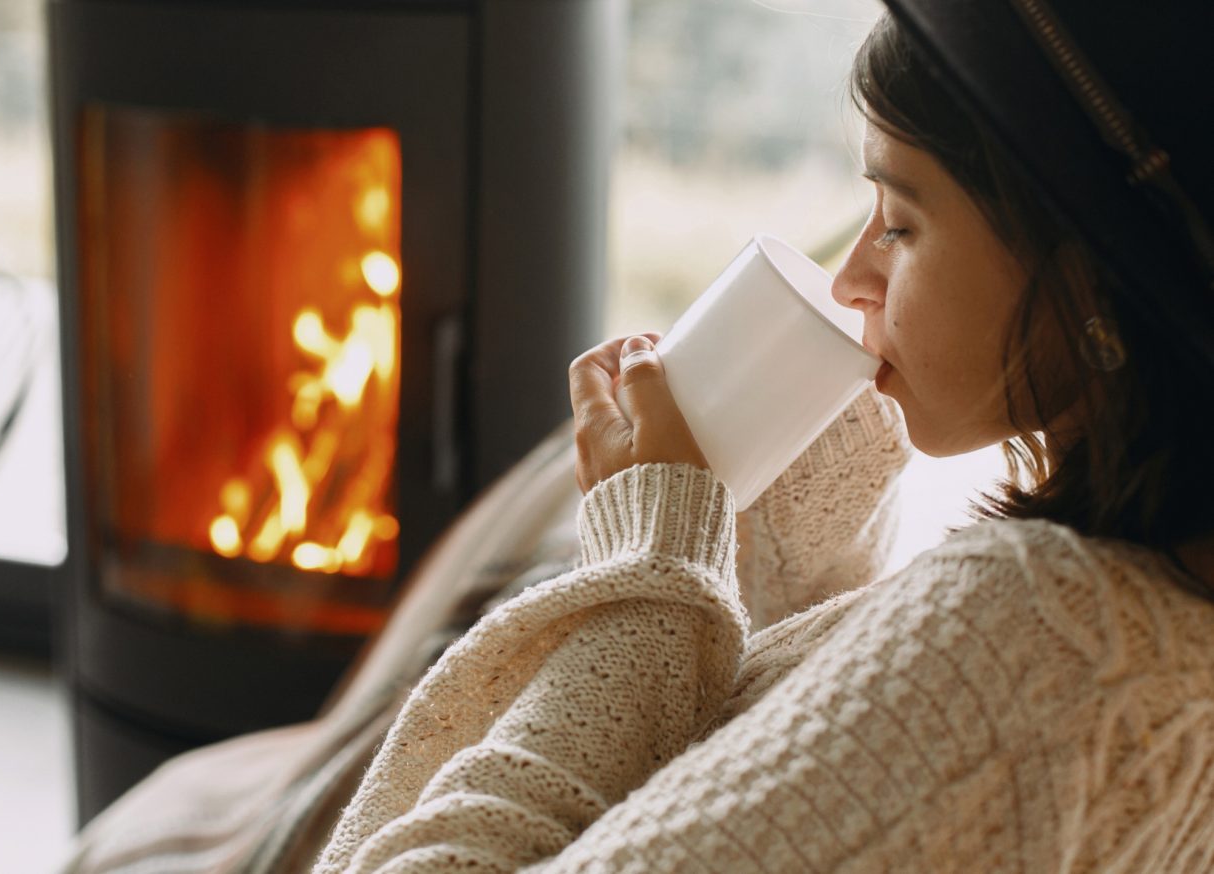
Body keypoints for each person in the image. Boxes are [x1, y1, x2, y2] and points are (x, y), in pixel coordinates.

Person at [314, 1, 1214, 870]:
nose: (853, 276)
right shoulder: (1143, 618)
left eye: (901, 224)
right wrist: (800, 520)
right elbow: (792, 798)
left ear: (1094, 281)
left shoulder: (1040, 639)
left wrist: (651, 569)